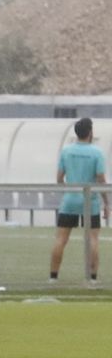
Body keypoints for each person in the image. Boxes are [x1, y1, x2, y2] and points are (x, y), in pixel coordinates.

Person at [50, 118, 106, 284]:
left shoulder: (66, 151)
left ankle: (53, 277)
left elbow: (59, 178)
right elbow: (101, 179)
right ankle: (92, 278)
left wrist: (67, 191)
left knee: (61, 239)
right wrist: (107, 202)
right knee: (93, 239)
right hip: (90, 201)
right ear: (90, 132)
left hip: (70, 200)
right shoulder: (97, 153)